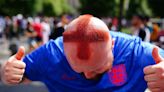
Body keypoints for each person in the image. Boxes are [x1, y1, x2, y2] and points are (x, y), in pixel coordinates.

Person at [1, 15, 164, 92]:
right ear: (64, 49)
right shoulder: (52, 55)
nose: (87, 75)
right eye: (78, 69)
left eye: (96, 68)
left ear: (112, 45)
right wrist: (7, 72)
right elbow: (18, 75)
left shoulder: (136, 53)